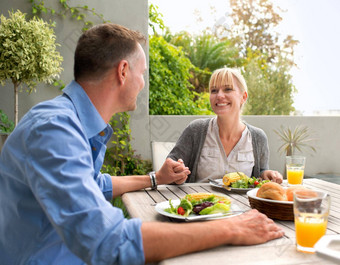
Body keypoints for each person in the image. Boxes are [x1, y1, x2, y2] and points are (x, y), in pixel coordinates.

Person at [0, 24, 284, 265]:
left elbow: (93, 184)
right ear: (123, 71)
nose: (143, 83)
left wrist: (154, 178)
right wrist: (229, 228)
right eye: (143, 72)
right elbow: (108, 241)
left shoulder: (69, 121)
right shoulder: (54, 129)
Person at [168, 67, 283, 183]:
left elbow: (261, 172)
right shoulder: (196, 130)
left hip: (241, 202)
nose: (219, 95)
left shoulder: (258, 137)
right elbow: (169, 169)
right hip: (202, 200)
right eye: (214, 90)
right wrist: (177, 172)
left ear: (243, 97)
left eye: (228, 89)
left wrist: (267, 174)